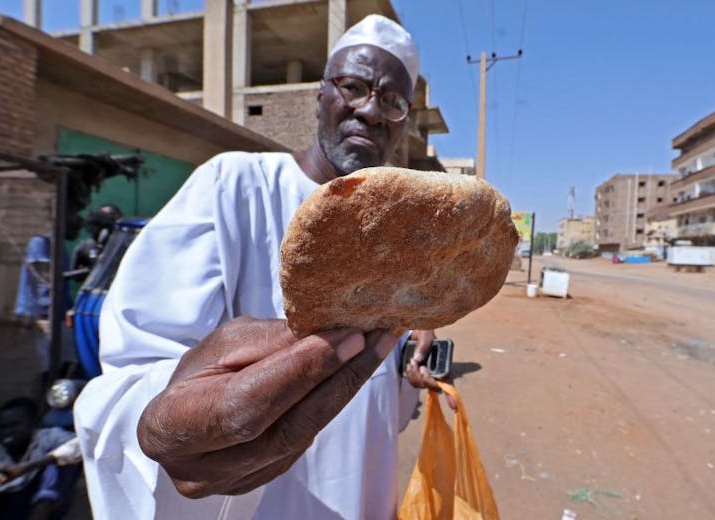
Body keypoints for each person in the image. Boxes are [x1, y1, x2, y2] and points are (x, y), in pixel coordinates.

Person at [74, 15, 448, 520]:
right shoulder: (233, 186)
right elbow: (137, 372)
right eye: (354, 86)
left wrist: (409, 350)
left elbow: (378, 384)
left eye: (392, 100)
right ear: (320, 95)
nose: (370, 110)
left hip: (363, 493)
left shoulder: (397, 230)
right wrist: (171, 432)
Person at [0, 398, 79, 520]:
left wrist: (29, 466)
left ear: (32, 424)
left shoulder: (48, 437)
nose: (7, 432)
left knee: (61, 462)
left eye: (14, 425)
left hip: (35, 501)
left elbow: (79, 445)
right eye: (2, 427)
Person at [71, 204, 123, 278]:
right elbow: (75, 274)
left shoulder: (126, 244)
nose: (107, 218)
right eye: (103, 215)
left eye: (111, 215)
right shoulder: (85, 247)